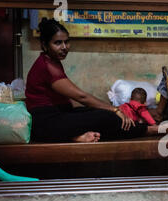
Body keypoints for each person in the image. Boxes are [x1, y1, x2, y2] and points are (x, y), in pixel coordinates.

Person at [25, 18, 159, 143]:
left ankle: (76, 136)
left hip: (58, 115)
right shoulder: (47, 66)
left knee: (98, 114)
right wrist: (115, 110)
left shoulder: (52, 61)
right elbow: (81, 97)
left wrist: (109, 109)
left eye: (67, 41)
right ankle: (146, 130)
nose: (64, 47)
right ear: (45, 45)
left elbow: (69, 99)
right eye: (58, 43)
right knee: (108, 117)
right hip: (47, 124)